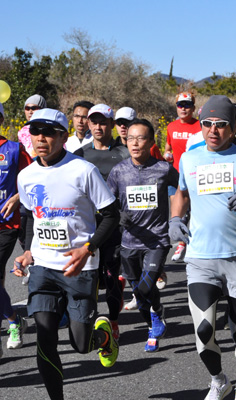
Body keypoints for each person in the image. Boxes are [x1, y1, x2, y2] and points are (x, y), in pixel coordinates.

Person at [14, 108, 119, 400]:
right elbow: (30, 217)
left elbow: (111, 216)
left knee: (81, 344)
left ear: (63, 136)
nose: (41, 138)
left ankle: (103, 336)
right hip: (44, 268)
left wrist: (88, 249)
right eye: (36, 132)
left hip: (80, 268)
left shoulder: (83, 170)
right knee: (45, 336)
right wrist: (27, 252)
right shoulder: (26, 176)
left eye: (49, 132)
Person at [169, 95, 236, 400]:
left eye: (221, 125)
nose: (213, 130)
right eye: (206, 124)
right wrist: (174, 218)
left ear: (234, 127)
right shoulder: (189, 158)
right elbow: (181, 193)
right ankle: (218, 379)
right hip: (200, 257)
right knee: (203, 330)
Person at [107, 118, 178, 352]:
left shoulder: (164, 169)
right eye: (130, 138)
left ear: (150, 142)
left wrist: (181, 217)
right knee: (138, 293)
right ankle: (152, 326)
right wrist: (118, 215)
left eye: (141, 138)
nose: (135, 143)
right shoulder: (118, 172)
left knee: (147, 288)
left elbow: (185, 191)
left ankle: (157, 312)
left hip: (156, 240)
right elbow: (107, 203)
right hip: (129, 242)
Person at [74, 104, 130, 340]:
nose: (98, 126)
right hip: (88, 226)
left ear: (111, 124)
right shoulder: (80, 155)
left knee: (109, 275)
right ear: (88, 123)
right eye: (94, 121)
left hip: (116, 226)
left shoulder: (124, 153)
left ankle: (113, 322)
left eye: (103, 122)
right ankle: (90, 320)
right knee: (90, 277)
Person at [0, 103, 32, 357]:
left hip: (6, 224)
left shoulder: (13, 149)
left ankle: (12, 322)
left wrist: (18, 196)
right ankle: (13, 319)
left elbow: (34, 177)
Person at [165, 92, 201, 263]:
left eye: (187, 105)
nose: (183, 108)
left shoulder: (200, 126)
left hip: (194, 174)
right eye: (180, 105)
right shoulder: (171, 126)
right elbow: (168, 146)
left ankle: (194, 243)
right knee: (178, 211)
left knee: (195, 211)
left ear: (193, 108)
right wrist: (167, 154)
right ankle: (180, 243)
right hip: (176, 174)